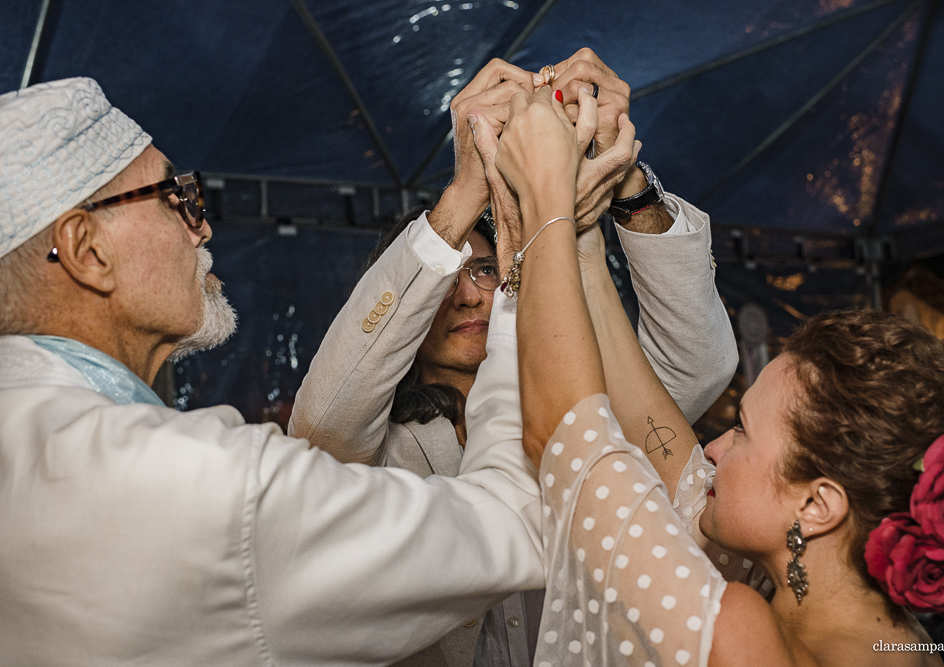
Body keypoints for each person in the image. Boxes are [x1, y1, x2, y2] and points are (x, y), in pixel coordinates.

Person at [0, 77, 547, 665]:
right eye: (173, 198)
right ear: (87, 251)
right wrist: (530, 259)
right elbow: (509, 525)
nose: (201, 228)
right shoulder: (199, 478)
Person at [469, 83, 944, 666]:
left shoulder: (743, 634)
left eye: (743, 431)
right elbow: (662, 445)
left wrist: (544, 200)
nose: (714, 447)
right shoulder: (903, 641)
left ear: (819, 505)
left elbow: (566, 438)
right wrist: (583, 229)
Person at [288, 52, 739, 666]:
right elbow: (323, 423)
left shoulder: (583, 405)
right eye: (450, 277)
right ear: (413, 312)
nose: (473, 292)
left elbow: (700, 364)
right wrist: (464, 194)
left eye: (485, 266)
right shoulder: (388, 450)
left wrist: (625, 182)